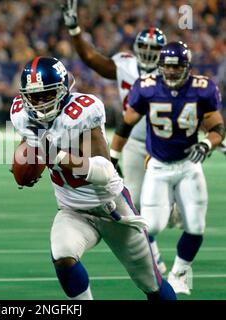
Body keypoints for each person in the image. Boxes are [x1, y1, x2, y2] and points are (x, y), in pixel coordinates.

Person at [10, 56, 176, 300]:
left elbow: (104, 171)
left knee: (151, 283)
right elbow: (32, 146)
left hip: (112, 209)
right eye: (34, 97)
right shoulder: (21, 114)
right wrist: (27, 165)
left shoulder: (82, 112)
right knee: (63, 255)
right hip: (72, 210)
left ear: (64, 90)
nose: (40, 103)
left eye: (47, 95)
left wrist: (55, 156)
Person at [62, 0, 168, 273]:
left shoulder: (172, 71)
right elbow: (91, 59)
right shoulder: (126, 65)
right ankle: (150, 251)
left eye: (153, 49)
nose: (148, 54)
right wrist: (75, 29)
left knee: (167, 201)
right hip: (132, 141)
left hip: (166, 143)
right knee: (136, 198)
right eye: (144, 48)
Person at [110, 41, 225, 295]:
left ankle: (179, 274)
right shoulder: (147, 88)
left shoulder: (202, 89)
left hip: (189, 165)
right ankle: (153, 270)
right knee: (151, 226)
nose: (171, 72)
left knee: (196, 226)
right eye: (167, 67)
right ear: (160, 67)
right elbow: (126, 125)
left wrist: (206, 143)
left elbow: (217, 128)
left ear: (187, 67)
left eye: (177, 67)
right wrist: (113, 156)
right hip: (158, 166)